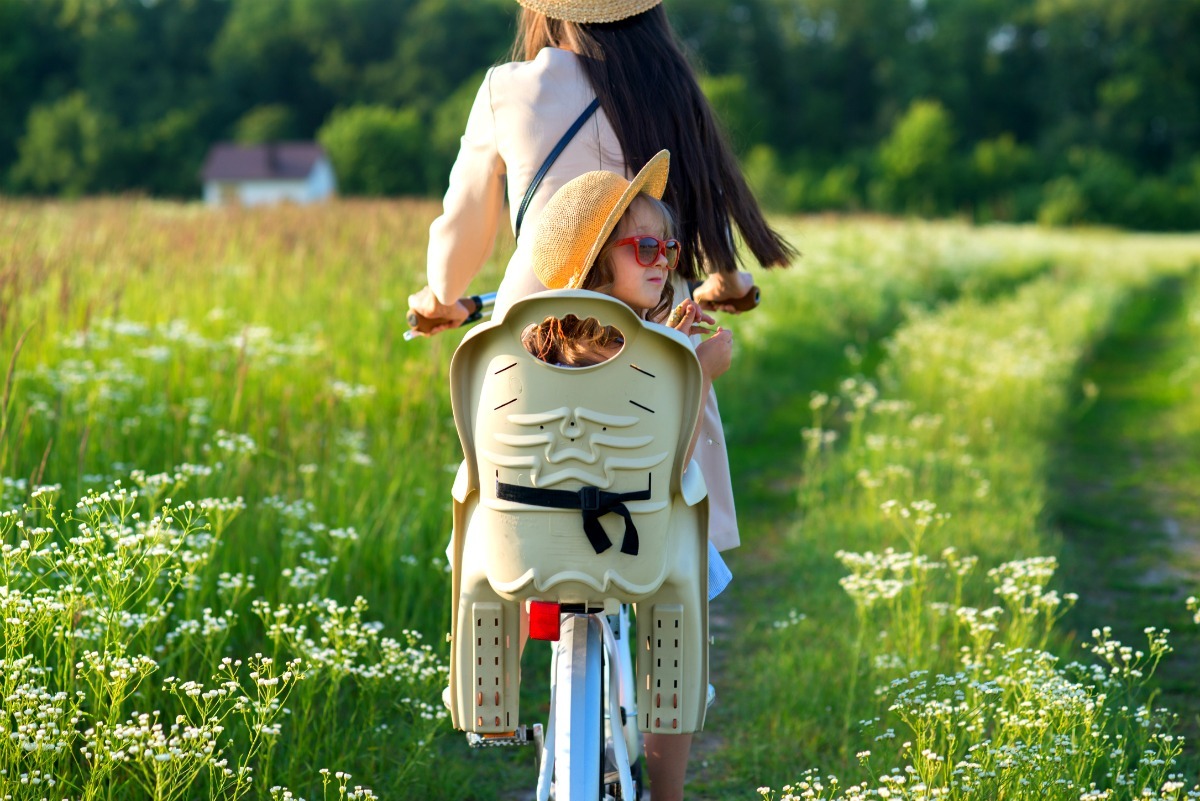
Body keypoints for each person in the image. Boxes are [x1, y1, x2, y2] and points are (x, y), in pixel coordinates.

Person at [410, 0, 797, 554]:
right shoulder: (671, 86)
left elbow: (463, 226)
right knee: (670, 497)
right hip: (650, 322)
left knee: (508, 507)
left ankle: (502, 609)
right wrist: (729, 284)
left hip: (537, 329)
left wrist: (441, 295)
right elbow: (710, 209)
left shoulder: (508, 87)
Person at [525, 148, 730, 801]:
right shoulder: (653, 357)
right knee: (685, 596)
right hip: (635, 535)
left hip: (533, 533)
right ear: (594, 262)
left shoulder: (545, 340)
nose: (664, 263)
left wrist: (666, 339)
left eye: (668, 251)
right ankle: (667, 790)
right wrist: (696, 370)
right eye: (646, 247)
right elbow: (673, 456)